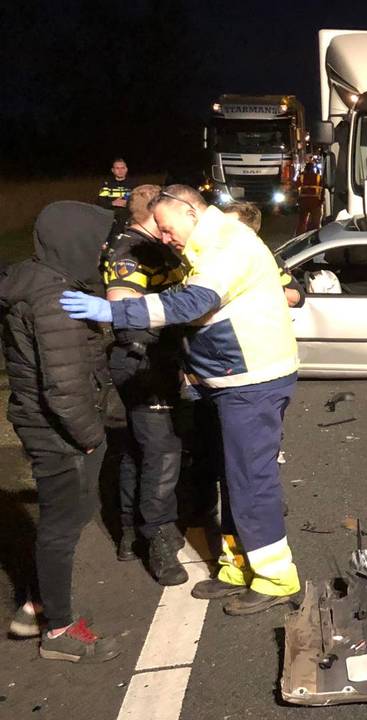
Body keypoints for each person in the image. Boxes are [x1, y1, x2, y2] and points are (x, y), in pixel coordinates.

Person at [61, 185, 302, 616]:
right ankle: (238, 566)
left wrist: (114, 312)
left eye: (169, 228)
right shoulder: (209, 243)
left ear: (191, 212)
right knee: (233, 478)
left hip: (253, 381)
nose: (165, 238)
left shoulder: (228, 245)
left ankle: (275, 577)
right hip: (231, 381)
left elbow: (193, 302)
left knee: (251, 481)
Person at [0, 201, 120, 662]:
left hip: (43, 423)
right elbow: (64, 387)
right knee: (62, 525)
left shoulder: (36, 279)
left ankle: (36, 603)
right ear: (74, 240)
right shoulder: (55, 299)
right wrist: (90, 435)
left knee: (62, 518)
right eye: (99, 241)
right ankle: (59, 631)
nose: (104, 251)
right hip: (61, 433)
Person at [101, 185, 188, 584]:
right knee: (161, 452)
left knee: (139, 451)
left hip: (155, 359)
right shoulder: (129, 248)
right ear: (156, 213)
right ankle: (158, 541)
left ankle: (130, 533)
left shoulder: (152, 245)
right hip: (144, 360)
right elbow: (125, 311)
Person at [97, 158, 135, 223]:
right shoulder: (107, 184)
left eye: (123, 168)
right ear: (113, 170)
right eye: (117, 168)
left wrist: (127, 203)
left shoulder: (133, 184)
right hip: (111, 217)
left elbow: (139, 202)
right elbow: (100, 202)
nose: (120, 171)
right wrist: (112, 203)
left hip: (129, 218)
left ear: (126, 169)